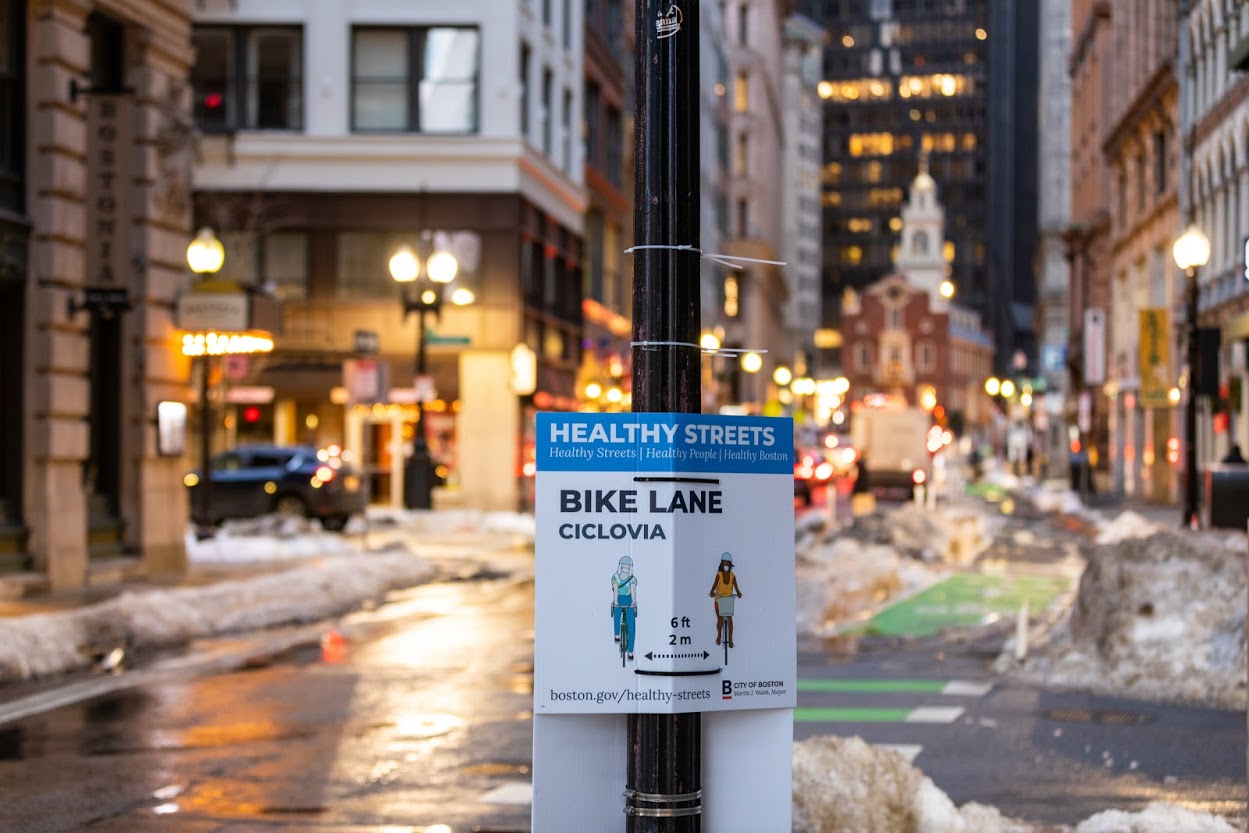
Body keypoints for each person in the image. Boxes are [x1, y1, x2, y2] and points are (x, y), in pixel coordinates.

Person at [708, 551, 743, 648]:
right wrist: (712, 592)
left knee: (730, 619)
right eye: (724, 562)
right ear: (722, 563)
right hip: (718, 599)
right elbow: (715, 585)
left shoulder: (732, 576)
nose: (726, 564)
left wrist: (739, 593)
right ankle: (719, 635)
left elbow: (736, 587)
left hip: (728, 599)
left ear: (730, 564)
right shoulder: (719, 574)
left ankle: (731, 640)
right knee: (719, 618)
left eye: (728, 562)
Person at [611, 555, 638, 661]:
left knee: (632, 626)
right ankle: (617, 634)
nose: (626, 568)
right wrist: (616, 602)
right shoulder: (615, 577)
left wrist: (634, 602)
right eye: (624, 566)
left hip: (628, 600)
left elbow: (633, 591)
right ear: (621, 566)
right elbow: (615, 589)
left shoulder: (632, 579)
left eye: (628, 567)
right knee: (617, 614)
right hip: (619, 599)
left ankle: (630, 651)